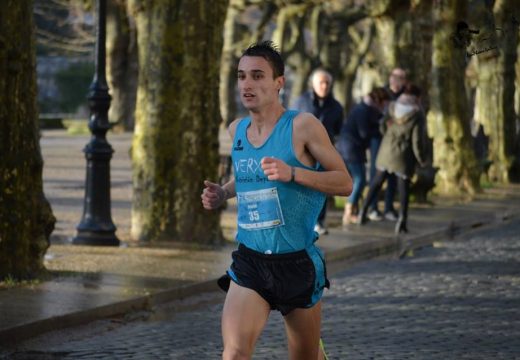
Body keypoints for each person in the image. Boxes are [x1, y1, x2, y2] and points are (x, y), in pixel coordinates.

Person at [201, 41, 352, 360]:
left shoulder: (302, 126)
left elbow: (344, 182)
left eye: (257, 75)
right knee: (235, 353)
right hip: (251, 260)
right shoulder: (237, 130)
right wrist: (224, 193)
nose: (247, 84)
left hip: (297, 262)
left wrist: (294, 174)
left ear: (278, 83)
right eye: (242, 76)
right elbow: (249, 175)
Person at [357, 83, 427, 234]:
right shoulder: (417, 114)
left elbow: (382, 125)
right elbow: (416, 140)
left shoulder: (392, 107)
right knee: (403, 190)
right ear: (417, 98)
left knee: (376, 182)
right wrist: (421, 159)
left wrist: (388, 135)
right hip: (403, 155)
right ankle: (401, 221)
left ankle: (362, 212)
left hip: (386, 150)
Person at [291, 68, 344, 235]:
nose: (325, 86)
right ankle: (298, 220)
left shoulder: (336, 106)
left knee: (322, 188)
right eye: (321, 82)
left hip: (325, 153)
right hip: (303, 152)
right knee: (303, 186)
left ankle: (319, 221)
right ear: (313, 84)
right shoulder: (301, 102)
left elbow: (339, 130)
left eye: (327, 83)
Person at [336, 87, 390, 225]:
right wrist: (378, 129)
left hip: (351, 148)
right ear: (379, 101)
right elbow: (364, 133)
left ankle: (353, 210)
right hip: (351, 149)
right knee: (359, 180)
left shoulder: (365, 109)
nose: (385, 107)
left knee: (357, 180)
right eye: (384, 104)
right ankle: (349, 211)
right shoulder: (363, 110)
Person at [366, 67, 408, 222]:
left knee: (393, 175)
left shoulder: (405, 96)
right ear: (390, 78)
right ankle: (372, 208)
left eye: (401, 77)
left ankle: (389, 208)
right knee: (376, 174)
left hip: (396, 141)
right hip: (378, 138)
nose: (398, 80)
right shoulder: (381, 93)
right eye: (395, 76)